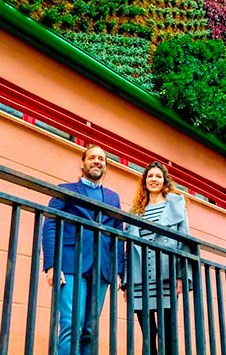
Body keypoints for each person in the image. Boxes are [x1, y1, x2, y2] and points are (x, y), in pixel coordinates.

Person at [42, 145, 124, 355]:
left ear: (105, 167)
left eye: (101, 159)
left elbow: (118, 235)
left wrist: (118, 271)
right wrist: (52, 265)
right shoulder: (66, 190)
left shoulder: (113, 198)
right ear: (82, 163)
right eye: (92, 157)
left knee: (90, 330)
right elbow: (50, 225)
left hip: (102, 270)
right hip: (71, 266)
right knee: (71, 326)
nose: (97, 161)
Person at [123, 161, 191, 355]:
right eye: (150, 176)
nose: (154, 180)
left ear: (164, 181)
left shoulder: (177, 206)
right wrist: (127, 283)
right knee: (147, 336)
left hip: (166, 278)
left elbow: (185, 243)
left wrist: (181, 276)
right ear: (144, 182)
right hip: (139, 281)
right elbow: (129, 250)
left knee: (168, 334)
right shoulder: (136, 212)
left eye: (158, 176)